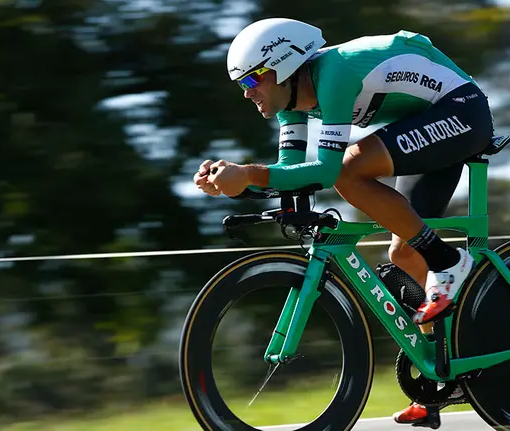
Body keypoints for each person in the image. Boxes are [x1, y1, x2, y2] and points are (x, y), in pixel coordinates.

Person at [194, 17, 494, 426]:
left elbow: (327, 171)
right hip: (426, 124)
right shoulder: (291, 107)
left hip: (463, 113)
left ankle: (447, 261)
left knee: (351, 170)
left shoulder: (333, 74)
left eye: (253, 82)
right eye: (243, 86)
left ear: (282, 67)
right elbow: (292, 173)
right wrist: (235, 186)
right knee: (404, 250)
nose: (249, 94)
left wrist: (247, 173)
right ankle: (447, 377)